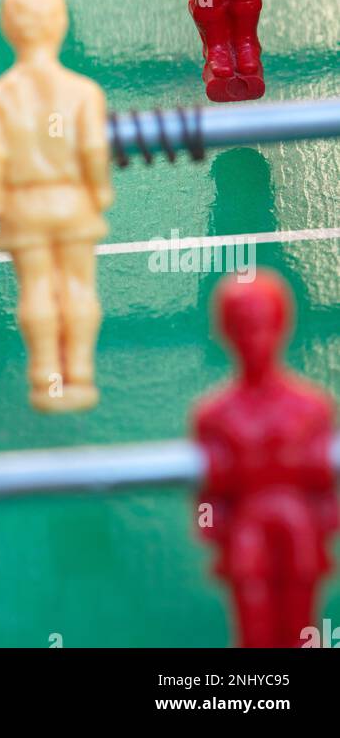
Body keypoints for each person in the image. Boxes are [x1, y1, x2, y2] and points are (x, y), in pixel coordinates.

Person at [0, 0, 112, 412]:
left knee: (36, 289)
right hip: (71, 200)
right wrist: (99, 189)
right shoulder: (84, 93)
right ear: (61, 23)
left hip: (24, 204)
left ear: (8, 28)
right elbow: (92, 149)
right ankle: (80, 375)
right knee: (78, 285)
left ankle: (44, 377)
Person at [195, 271, 338, 648]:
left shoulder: (310, 410)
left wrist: (326, 516)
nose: (253, 339)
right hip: (246, 540)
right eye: (241, 327)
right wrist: (213, 523)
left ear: (280, 326)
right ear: (227, 332)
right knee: (254, 634)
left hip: (300, 536)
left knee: (300, 629)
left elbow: (328, 493)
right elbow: (206, 498)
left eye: (261, 325)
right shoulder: (214, 417)